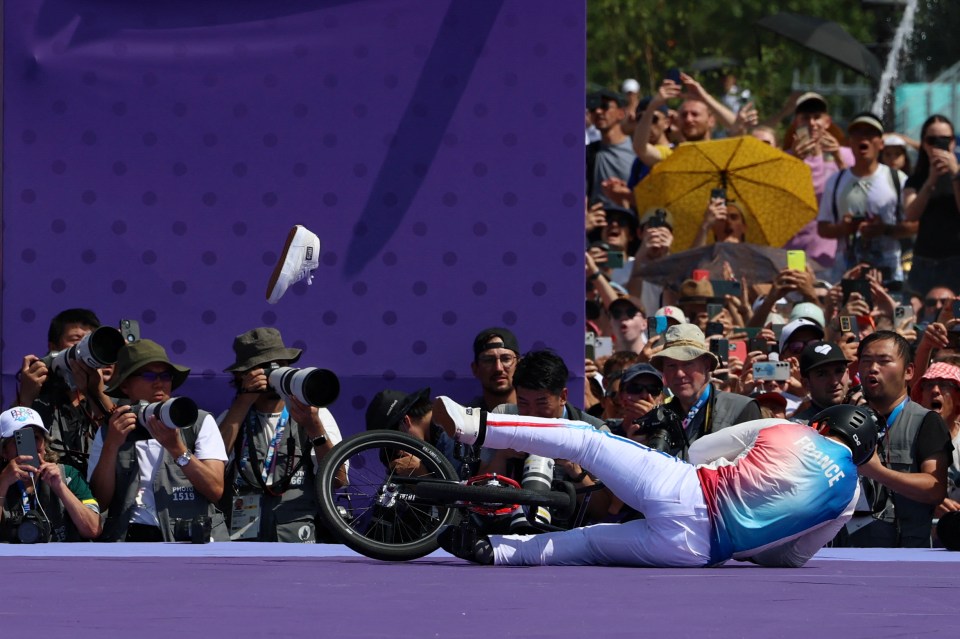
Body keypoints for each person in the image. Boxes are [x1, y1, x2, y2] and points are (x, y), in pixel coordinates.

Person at [434, 398, 876, 568]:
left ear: (821, 424)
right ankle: (495, 551)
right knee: (588, 543)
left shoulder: (788, 427)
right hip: (697, 551)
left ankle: (475, 424)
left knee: (585, 440)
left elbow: (702, 450)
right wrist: (747, 538)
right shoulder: (849, 496)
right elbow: (794, 558)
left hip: (684, 487)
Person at [88, 340, 230, 542]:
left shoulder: (198, 421)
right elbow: (99, 502)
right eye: (148, 375)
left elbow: (215, 489)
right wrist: (112, 445)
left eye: (165, 376)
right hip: (129, 540)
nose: (159, 382)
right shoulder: (111, 430)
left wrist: (177, 449)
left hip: (191, 539)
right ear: (126, 385)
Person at [217, 327, 344, 542]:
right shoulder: (230, 418)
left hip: (298, 536)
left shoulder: (316, 413)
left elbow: (339, 479)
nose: (271, 372)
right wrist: (244, 399)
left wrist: (314, 428)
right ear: (241, 375)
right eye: (263, 367)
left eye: (279, 366)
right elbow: (211, 474)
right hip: (243, 540)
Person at [848, 331, 953, 547]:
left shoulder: (926, 421)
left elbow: (935, 488)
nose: (873, 368)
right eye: (866, 361)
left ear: (908, 371)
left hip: (904, 555)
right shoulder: (843, 420)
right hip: (845, 550)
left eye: (884, 361)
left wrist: (877, 472)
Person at [816, 113, 914, 283]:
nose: (864, 138)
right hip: (845, 275)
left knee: (899, 311)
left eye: (870, 133)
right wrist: (844, 228)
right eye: (858, 133)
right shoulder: (836, 181)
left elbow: (915, 225)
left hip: (889, 276)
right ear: (850, 142)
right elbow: (823, 228)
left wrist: (884, 229)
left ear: (881, 143)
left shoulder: (898, 179)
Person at [16, 308, 115, 476]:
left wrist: (97, 394)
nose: (83, 349)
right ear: (53, 347)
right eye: (76, 339)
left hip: (98, 495)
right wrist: (26, 399)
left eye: (88, 341)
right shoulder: (38, 396)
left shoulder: (111, 395)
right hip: (49, 492)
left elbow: (123, 453)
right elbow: (24, 457)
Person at [649, 324, 761, 459]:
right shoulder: (657, 417)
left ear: (707, 365)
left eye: (687, 363)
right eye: (671, 365)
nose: (679, 373)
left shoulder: (742, 408)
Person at [0, 407, 101, 542]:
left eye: (36, 437)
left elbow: (93, 529)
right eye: (18, 440)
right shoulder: (2, 480)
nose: (28, 446)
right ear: (4, 451)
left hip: (61, 560)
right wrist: (3, 483)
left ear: (45, 444)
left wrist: (60, 487)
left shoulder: (69, 475)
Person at [903, 115, 960, 295]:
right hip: (924, 262)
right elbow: (910, 214)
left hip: (956, 261)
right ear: (923, 143)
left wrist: (955, 174)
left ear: (953, 142)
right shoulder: (917, 178)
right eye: (932, 140)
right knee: (919, 319)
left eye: (945, 140)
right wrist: (931, 180)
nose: (938, 145)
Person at [365, 387, 461, 474]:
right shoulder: (438, 432)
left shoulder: (449, 433)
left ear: (406, 422)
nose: (400, 451)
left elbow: (457, 491)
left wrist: (422, 475)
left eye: (397, 442)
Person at [910, 362, 960, 518]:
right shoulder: (904, 439)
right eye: (928, 384)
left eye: (946, 385)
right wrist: (929, 498)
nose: (935, 390)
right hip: (919, 537)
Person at [586, 89, 636, 205]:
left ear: (621, 113)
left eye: (605, 106)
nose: (598, 111)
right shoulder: (587, 154)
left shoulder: (638, 150)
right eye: (593, 108)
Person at [792, 342, 852, 424]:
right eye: (822, 374)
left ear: (848, 374)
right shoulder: (797, 429)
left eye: (839, 371)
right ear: (806, 383)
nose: (834, 382)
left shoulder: (866, 416)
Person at [468, 327, 520, 411]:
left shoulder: (537, 416)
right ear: (475, 369)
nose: (498, 368)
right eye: (488, 360)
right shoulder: (463, 421)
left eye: (506, 359)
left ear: (519, 365)